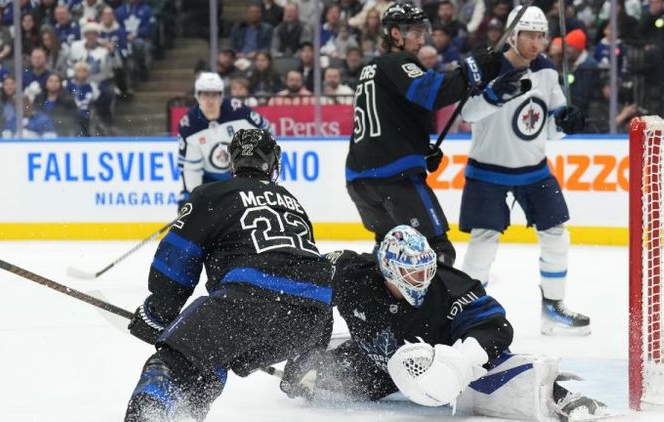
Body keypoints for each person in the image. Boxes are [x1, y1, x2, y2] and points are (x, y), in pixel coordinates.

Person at [280, 225, 606, 421]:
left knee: (493, 370)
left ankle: (557, 394)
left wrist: (462, 361)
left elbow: (496, 326)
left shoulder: (449, 288)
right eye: (411, 273)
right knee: (316, 382)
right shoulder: (351, 273)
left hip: (442, 361)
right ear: (386, 269)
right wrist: (308, 350)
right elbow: (307, 296)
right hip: (379, 364)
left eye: (424, 270)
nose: (421, 279)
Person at [124, 128, 334, 421]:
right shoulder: (292, 201)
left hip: (247, 306)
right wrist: (305, 355)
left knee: (174, 363)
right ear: (273, 164)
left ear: (232, 162)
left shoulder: (211, 194)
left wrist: (159, 311)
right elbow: (306, 266)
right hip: (310, 320)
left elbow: (176, 259)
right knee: (211, 356)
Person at [458, 5, 590, 336]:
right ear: (513, 35)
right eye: (528, 35)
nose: (535, 43)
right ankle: (470, 312)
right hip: (487, 171)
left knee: (557, 235)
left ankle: (553, 309)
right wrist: (492, 95)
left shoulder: (546, 71)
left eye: (541, 36)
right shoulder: (489, 66)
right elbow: (468, 114)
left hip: (534, 170)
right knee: (482, 243)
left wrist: (564, 123)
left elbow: (549, 128)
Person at [345, 2, 505, 266]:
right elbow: (434, 93)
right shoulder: (397, 61)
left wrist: (418, 150)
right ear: (395, 34)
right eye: (415, 32)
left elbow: (389, 117)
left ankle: (379, 305)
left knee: (390, 256)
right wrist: (473, 68)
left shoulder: (372, 68)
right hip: (392, 177)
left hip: (360, 180)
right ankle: (439, 309)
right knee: (436, 252)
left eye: (423, 32)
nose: (422, 39)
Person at [177, 72, 271, 209]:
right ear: (197, 95)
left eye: (214, 94)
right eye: (205, 94)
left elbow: (267, 132)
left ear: (221, 95)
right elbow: (191, 168)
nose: (210, 100)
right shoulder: (189, 125)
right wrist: (192, 196)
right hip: (211, 182)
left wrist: (255, 167)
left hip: (245, 175)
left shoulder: (239, 112)